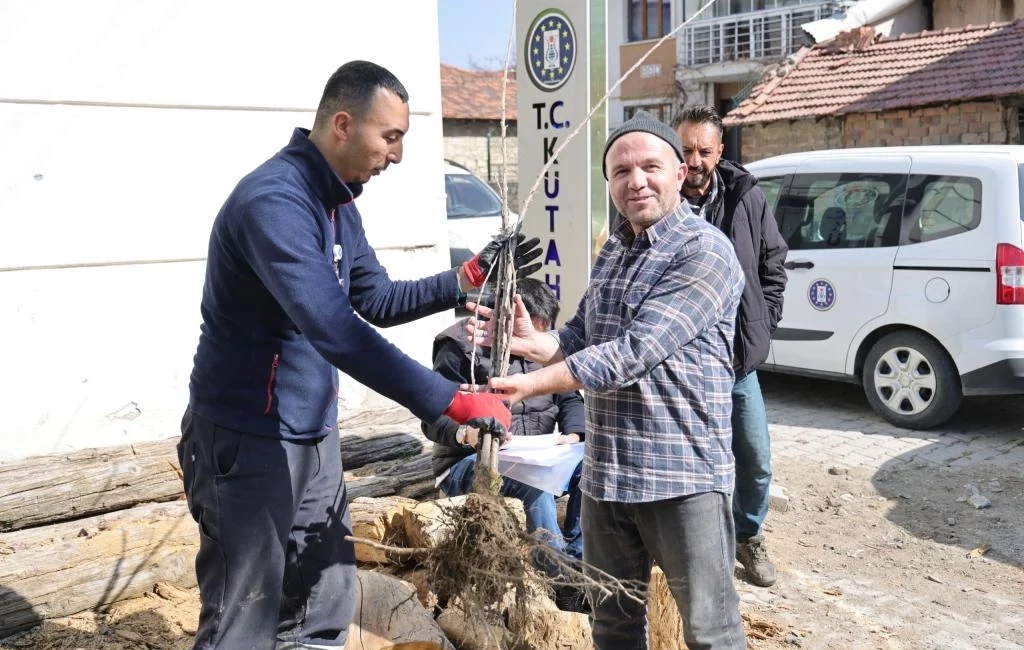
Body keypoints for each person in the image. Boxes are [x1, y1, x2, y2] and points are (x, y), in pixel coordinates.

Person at [178, 60, 542, 650]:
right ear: (343, 124)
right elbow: (336, 330)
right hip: (248, 436)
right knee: (243, 616)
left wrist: (465, 278)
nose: (397, 155)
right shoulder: (274, 203)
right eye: (390, 136)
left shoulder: (338, 201)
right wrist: (449, 400)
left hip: (312, 435)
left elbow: (374, 297)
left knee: (323, 601)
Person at [467, 112, 748, 650]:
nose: (635, 181)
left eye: (649, 167)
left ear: (679, 173)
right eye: (621, 171)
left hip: (680, 477)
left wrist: (534, 383)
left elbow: (631, 354)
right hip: (606, 477)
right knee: (612, 626)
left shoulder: (704, 251)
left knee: (711, 632)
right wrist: (535, 342)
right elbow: (582, 336)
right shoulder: (616, 248)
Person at [672, 104, 788, 588]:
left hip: (736, 361)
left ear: (720, 151)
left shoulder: (746, 196)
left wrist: (763, 323)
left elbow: (773, 261)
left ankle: (748, 536)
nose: (694, 160)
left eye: (704, 150)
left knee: (755, 458)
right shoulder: (658, 198)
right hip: (678, 363)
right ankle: (687, 545)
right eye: (686, 150)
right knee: (689, 461)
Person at [421, 277, 588, 612]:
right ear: (506, 319)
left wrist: (574, 435)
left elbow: (570, 399)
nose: (532, 344)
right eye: (527, 334)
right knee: (534, 486)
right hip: (467, 462)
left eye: (540, 335)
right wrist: (469, 435)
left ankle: (582, 563)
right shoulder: (459, 347)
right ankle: (562, 583)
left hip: (539, 455)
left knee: (594, 464)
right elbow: (433, 417)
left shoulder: (545, 346)